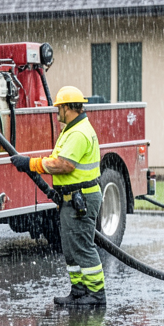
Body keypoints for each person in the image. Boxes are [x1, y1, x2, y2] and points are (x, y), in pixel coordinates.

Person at [13, 86, 106, 306]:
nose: (57, 112)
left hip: (80, 199)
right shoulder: (71, 129)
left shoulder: (78, 133)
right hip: (71, 199)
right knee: (70, 247)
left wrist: (30, 164)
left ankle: (96, 294)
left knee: (82, 246)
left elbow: (63, 164)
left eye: (59, 108)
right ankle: (79, 291)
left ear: (67, 108)